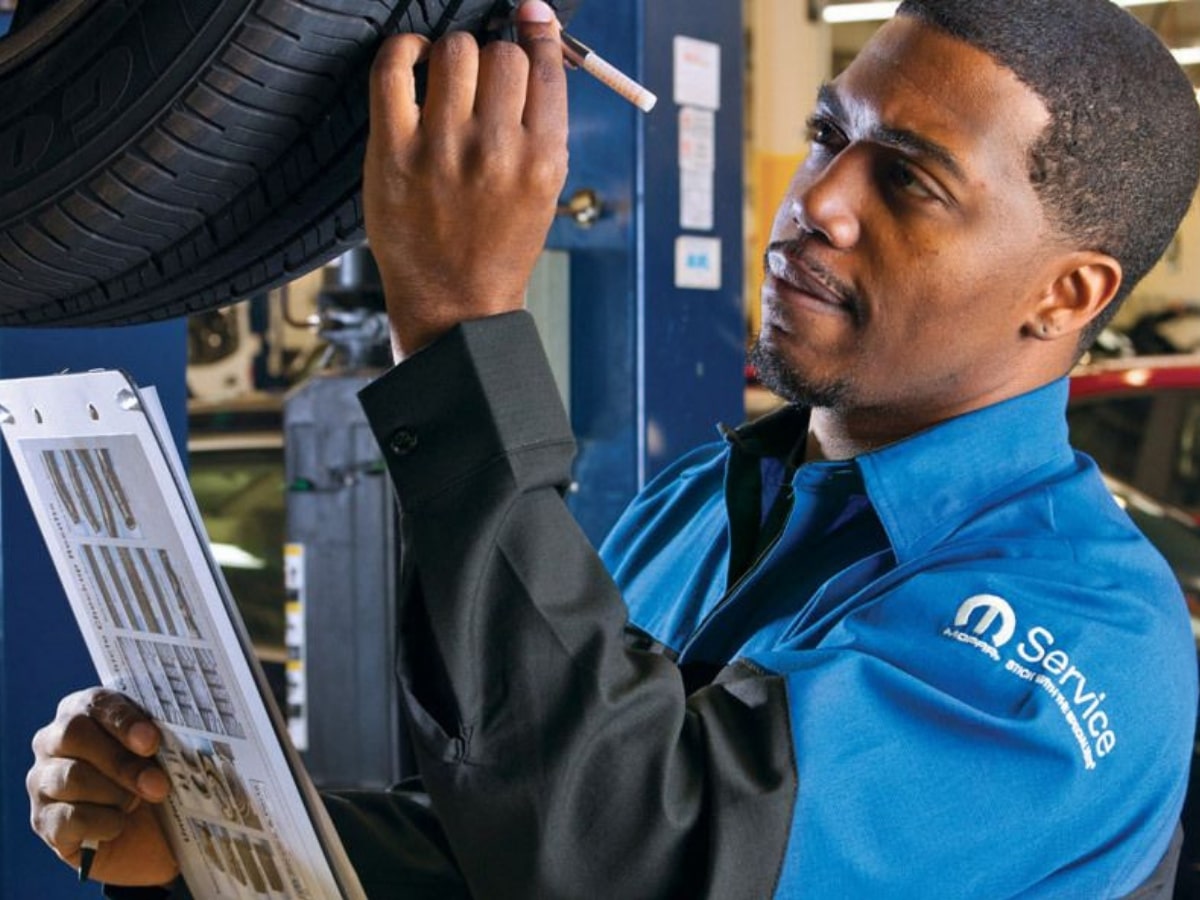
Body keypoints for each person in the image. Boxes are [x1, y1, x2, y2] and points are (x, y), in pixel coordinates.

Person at [25, 0, 1200, 896]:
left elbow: (636, 854)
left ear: (1067, 292)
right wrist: (208, 832)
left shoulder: (1084, 635)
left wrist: (456, 326)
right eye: (827, 135)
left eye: (908, 179)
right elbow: (513, 830)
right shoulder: (711, 494)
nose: (819, 201)